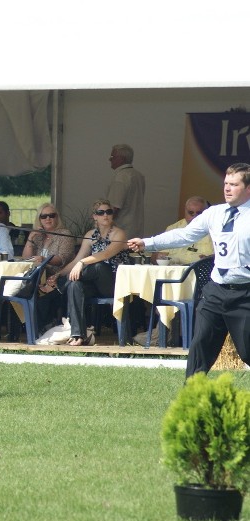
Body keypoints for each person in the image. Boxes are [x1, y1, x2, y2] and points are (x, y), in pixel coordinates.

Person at [128, 162, 250, 378]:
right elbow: (184, 235)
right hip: (216, 290)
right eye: (226, 183)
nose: (227, 188)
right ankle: (190, 395)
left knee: (247, 351)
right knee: (200, 345)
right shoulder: (215, 213)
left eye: (234, 184)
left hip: (245, 293)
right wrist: (148, 243)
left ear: (248, 188)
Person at [45, 199, 129, 346]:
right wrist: (59, 274)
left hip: (113, 282)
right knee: (74, 285)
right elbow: (77, 259)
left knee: (98, 266)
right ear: (94, 216)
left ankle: (57, 288)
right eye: (101, 212)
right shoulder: (90, 235)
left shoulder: (119, 234)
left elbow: (105, 255)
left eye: (109, 212)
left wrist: (82, 263)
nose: (105, 215)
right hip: (94, 283)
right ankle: (78, 334)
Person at [150, 196, 213, 265]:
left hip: (200, 272)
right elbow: (155, 258)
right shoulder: (173, 228)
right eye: (191, 213)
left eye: (199, 213)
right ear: (185, 212)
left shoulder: (215, 230)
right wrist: (157, 257)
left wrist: (210, 259)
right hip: (175, 272)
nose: (194, 217)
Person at [22, 203, 77, 278]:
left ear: (56, 218)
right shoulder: (37, 236)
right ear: (39, 219)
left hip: (58, 277)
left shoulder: (65, 234)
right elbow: (26, 259)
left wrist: (44, 259)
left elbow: (62, 259)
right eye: (43, 216)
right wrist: (30, 238)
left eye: (51, 215)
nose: (48, 219)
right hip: (37, 276)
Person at [107, 143, 145, 238]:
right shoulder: (138, 176)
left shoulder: (120, 178)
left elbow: (114, 208)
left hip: (120, 231)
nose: (109, 159)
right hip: (136, 229)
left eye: (112, 156)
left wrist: (104, 228)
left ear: (121, 158)